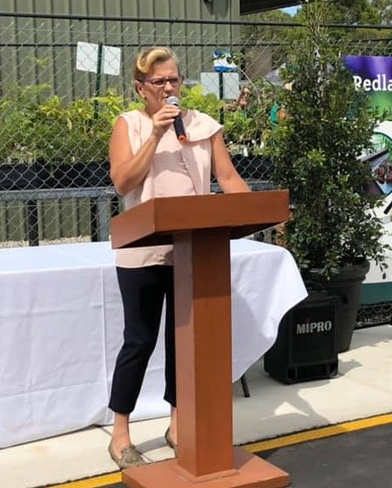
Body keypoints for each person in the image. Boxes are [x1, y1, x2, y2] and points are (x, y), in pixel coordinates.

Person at [107, 46, 250, 469]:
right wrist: (154, 134)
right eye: (159, 82)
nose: (169, 88)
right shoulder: (129, 125)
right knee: (140, 340)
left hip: (194, 252)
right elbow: (122, 182)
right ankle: (120, 434)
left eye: (174, 79)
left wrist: (255, 210)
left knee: (183, 344)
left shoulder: (204, 126)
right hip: (143, 252)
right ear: (141, 88)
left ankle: (177, 424)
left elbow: (227, 177)